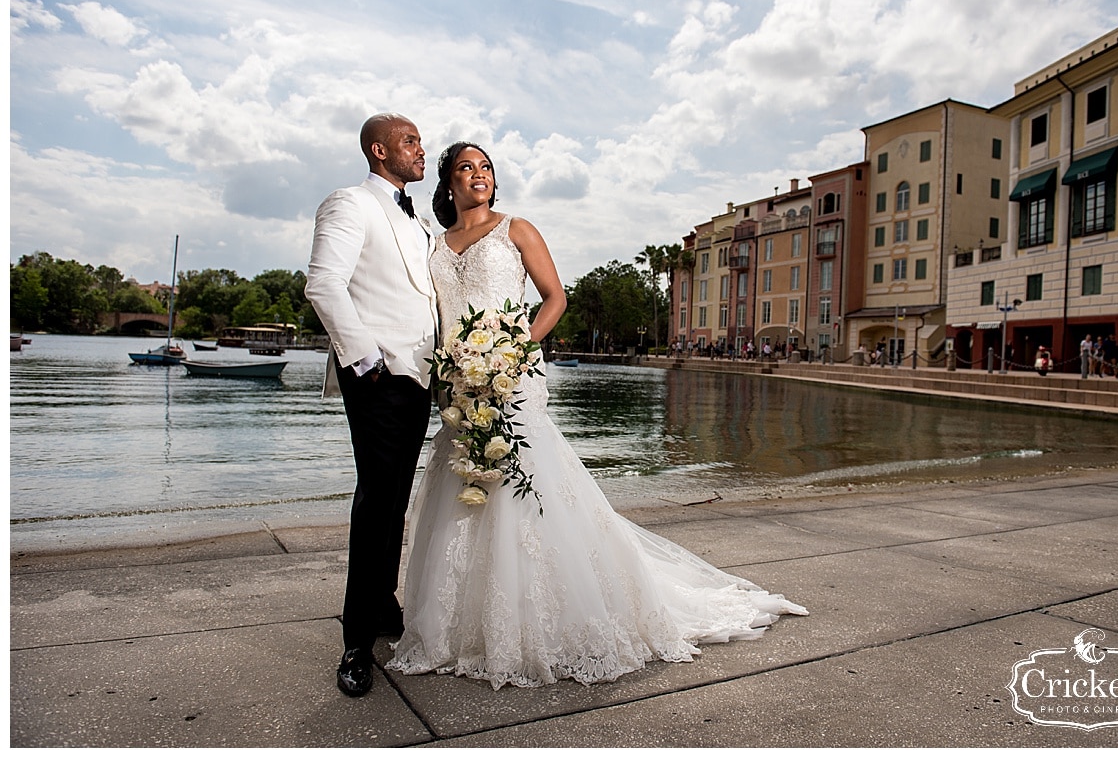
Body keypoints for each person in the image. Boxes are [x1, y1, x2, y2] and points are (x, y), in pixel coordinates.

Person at [388, 142, 806, 690]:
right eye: (466, 169)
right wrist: (456, 367)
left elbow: (555, 297)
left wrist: (514, 349)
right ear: (447, 183)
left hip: (512, 372)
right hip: (459, 380)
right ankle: (459, 624)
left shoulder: (518, 229)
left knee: (522, 477)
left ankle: (534, 620)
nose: (479, 175)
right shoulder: (434, 244)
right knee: (462, 478)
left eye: (486, 167)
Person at [304, 113, 438, 697]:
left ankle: (383, 608)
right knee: (377, 500)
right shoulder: (349, 203)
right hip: (379, 375)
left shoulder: (420, 219)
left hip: (421, 378)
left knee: (394, 500)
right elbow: (324, 284)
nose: (421, 150)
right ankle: (356, 640)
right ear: (379, 151)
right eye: (411, 142)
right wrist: (366, 361)